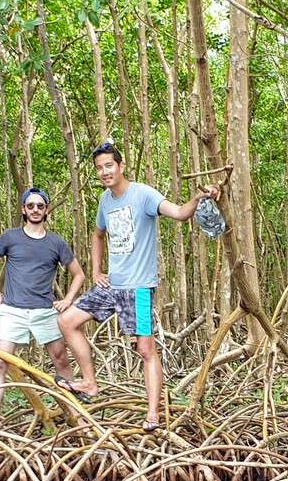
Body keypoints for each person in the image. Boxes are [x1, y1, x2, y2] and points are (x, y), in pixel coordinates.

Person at [57, 143, 219, 431]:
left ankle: (153, 413)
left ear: (120, 166)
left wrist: (198, 199)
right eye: (99, 168)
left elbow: (180, 213)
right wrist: (96, 270)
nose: (104, 172)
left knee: (146, 349)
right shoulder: (105, 202)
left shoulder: (143, 194)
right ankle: (90, 382)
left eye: (109, 165)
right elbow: (98, 235)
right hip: (112, 285)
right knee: (67, 320)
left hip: (139, 288)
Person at [0, 186, 85, 431]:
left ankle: (78, 417)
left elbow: (78, 274)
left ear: (46, 211)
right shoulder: (10, 237)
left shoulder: (56, 242)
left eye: (40, 206)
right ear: (24, 209)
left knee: (61, 360)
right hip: (12, 310)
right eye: (31, 206)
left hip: (44, 311)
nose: (35, 210)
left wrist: (67, 299)